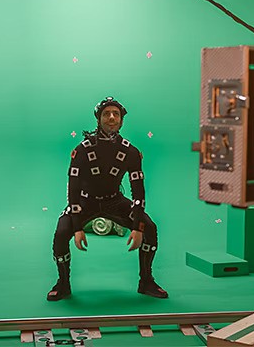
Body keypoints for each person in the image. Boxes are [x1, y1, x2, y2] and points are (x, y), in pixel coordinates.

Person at [47, 97, 168, 301]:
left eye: (116, 114)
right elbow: (73, 192)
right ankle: (63, 283)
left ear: (121, 120)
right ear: (98, 118)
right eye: (106, 114)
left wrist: (138, 227)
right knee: (61, 233)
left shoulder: (130, 152)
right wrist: (77, 228)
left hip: (115, 201)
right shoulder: (82, 150)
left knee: (151, 228)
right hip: (85, 202)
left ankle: (146, 281)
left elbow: (138, 193)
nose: (111, 117)